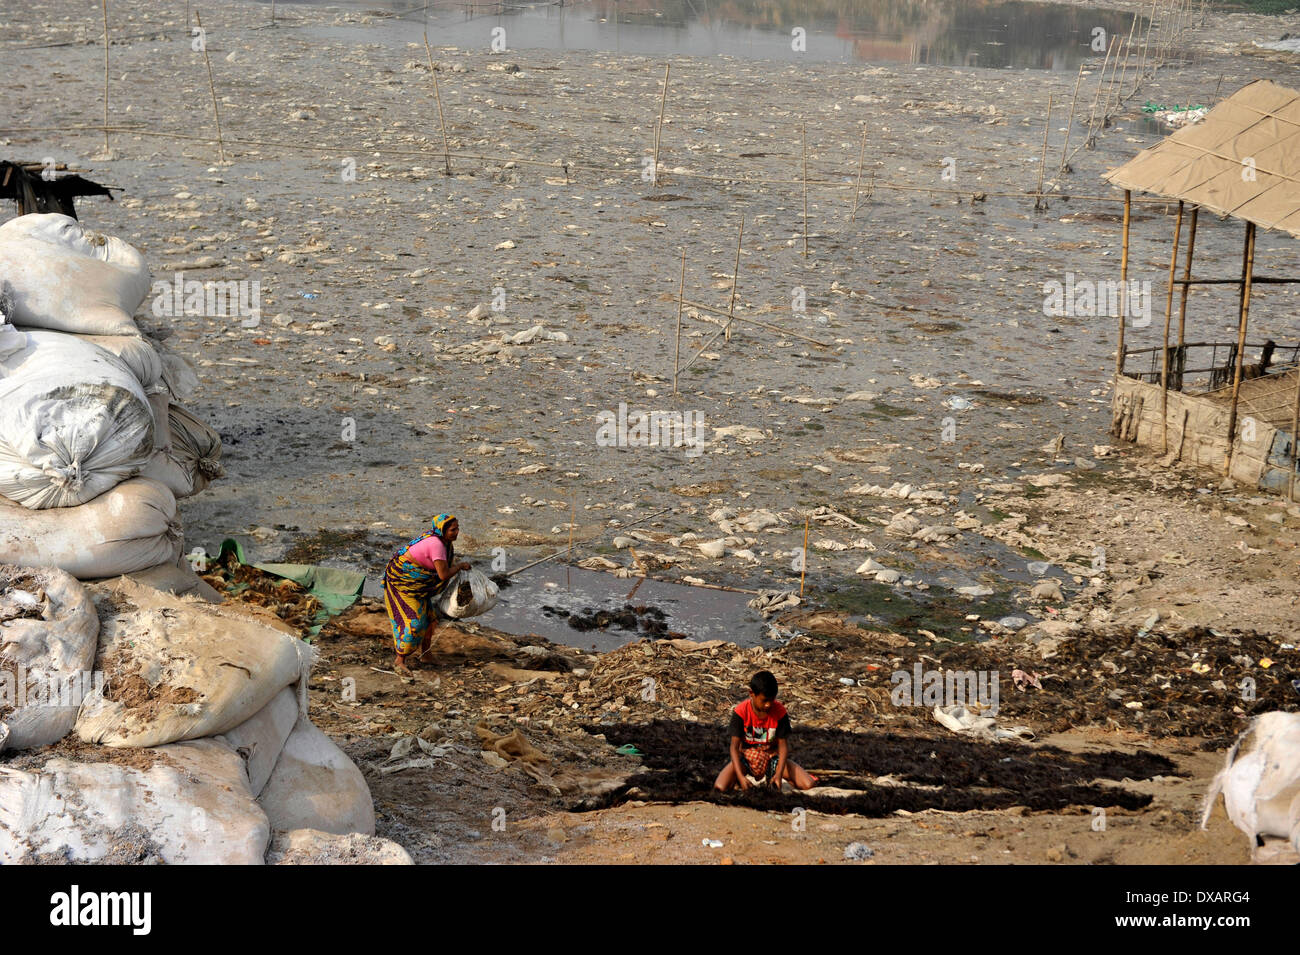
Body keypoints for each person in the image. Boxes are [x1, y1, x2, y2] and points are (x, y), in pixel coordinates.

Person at [383, 513, 470, 679]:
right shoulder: (437, 544)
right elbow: (443, 574)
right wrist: (460, 566)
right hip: (403, 584)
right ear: (442, 530)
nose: (457, 532)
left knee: (430, 619)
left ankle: (426, 655)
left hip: (418, 587)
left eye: (458, 528)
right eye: (453, 529)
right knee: (414, 623)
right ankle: (399, 660)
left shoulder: (445, 542)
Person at [714, 670, 818, 792]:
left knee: (808, 784)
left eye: (772, 700)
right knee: (720, 787)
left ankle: (782, 778)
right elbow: (734, 748)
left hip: (771, 760)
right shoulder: (741, 712)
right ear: (752, 694)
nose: (768, 705)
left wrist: (778, 775)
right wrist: (741, 777)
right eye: (764, 700)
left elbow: (783, 747)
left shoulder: (779, 712)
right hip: (746, 760)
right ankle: (738, 779)